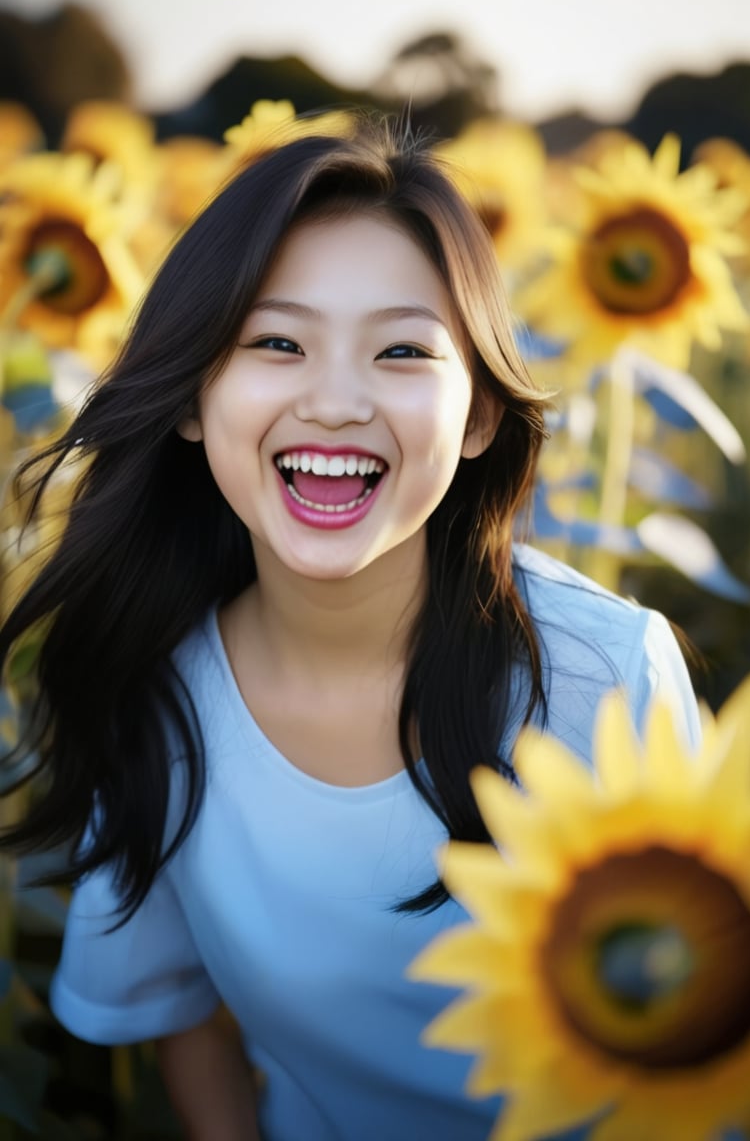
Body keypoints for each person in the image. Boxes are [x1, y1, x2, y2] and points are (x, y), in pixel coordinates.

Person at [0, 112, 701, 1141]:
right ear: (196, 395)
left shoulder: (608, 678)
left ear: (477, 419)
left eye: (402, 350)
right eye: (277, 342)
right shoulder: (150, 686)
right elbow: (176, 1012)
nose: (334, 401)